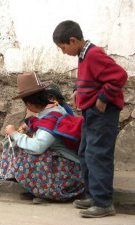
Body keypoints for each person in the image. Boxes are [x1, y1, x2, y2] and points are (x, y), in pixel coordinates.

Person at [53, 20, 128, 218]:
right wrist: (78, 90)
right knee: (86, 153)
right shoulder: (83, 54)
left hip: (102, 114)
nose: (63, 52)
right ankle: (93, 196)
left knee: (98, 156)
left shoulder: (93, 54)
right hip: (90, 113)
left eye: (63, 48)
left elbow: (119, 76)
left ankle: (103, 202)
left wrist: (104, 98)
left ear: (73, 40)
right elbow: (93, 79)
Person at [0, 72, 84, 203]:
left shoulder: (52, 117)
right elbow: (39, 124)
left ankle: (47, 192)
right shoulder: (53, 108)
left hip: (69, 169)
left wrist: (15, 133)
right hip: (63, 160)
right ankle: (36, 188)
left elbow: (38, 147)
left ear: (29, 105)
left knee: (25, 155)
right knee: (17, 146)